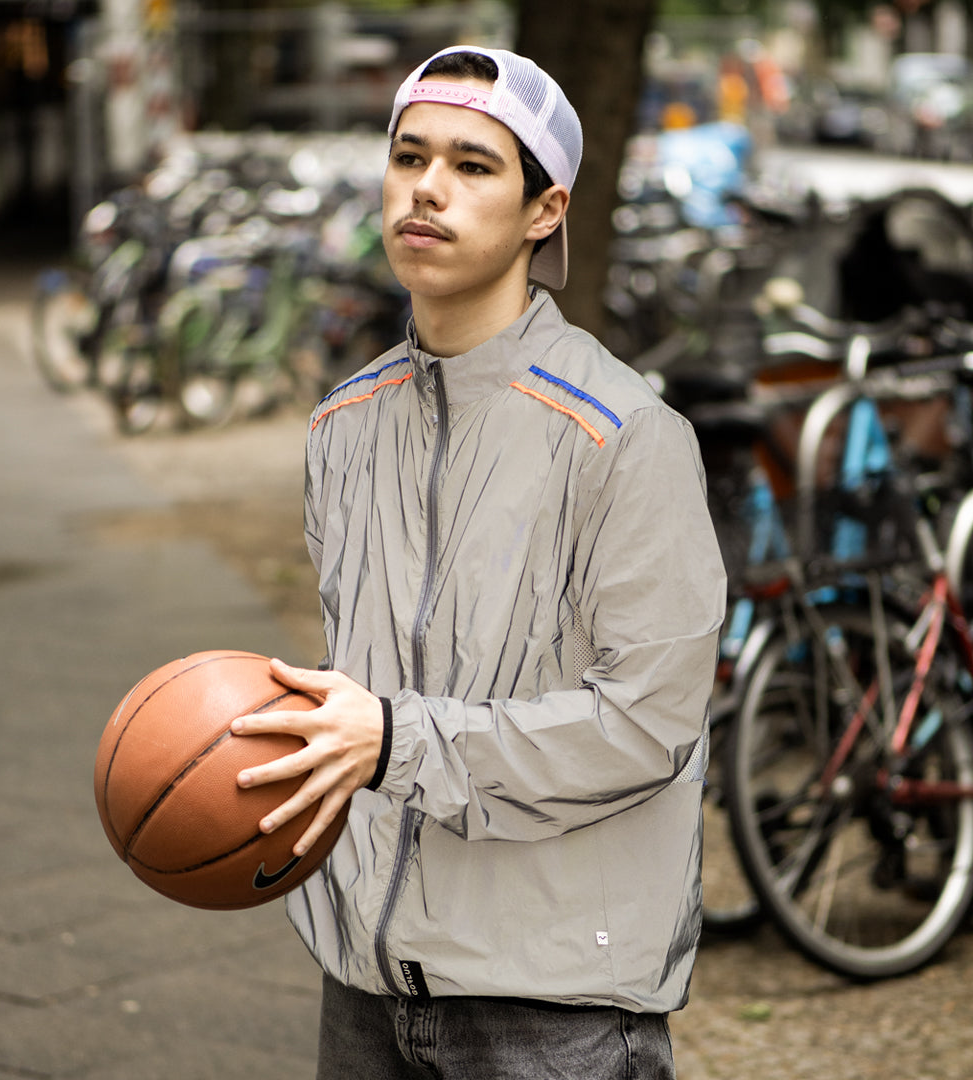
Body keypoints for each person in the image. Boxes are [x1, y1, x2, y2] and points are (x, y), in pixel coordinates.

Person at [229, 45, 726, 1079]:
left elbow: (646, 724)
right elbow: (364, 683)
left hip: (551, 1010)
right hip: (362, 986)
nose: (427, 188)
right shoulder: (342, 425)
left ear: (547, 210)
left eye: (472, 165)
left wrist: (393, 741)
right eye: (409, 156)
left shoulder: (626, 436)